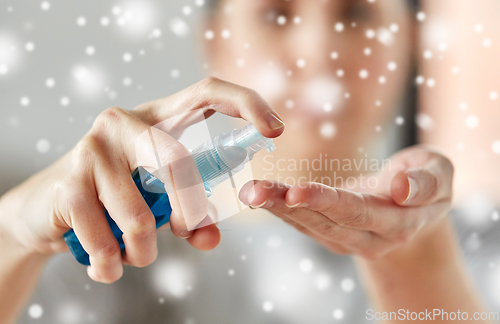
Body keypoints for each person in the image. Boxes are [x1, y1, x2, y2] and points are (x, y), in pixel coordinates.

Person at [0, 0, 496, 323]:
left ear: (409, 41)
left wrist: (416, 259)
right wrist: (12, 232)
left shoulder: (479, 252)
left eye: (357, 14)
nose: (319, 52)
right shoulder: (133, 244)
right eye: (276, 14)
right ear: (215, 39)